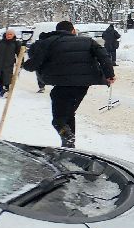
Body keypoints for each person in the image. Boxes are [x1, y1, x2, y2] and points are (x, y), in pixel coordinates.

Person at [23, 21, 113, 149]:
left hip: (62, 84)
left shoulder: (49, 42)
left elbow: (34, 64)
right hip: (82, 85)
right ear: (73, 31)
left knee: (58, 121)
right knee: (69, 114)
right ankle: (69, 147)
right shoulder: (88, 41)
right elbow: (103, 56)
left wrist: (24, 65)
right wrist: (109, 75)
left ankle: (68, 139)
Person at [0, 30, 20, 97]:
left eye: (10, 34)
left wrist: (21, 63)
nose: (8, 36)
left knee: (7, 77)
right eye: (7, 34)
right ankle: (1, 91)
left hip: (8, 64)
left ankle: (6, 90)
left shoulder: (15, 43)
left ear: (13, 35)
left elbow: (19, 54)